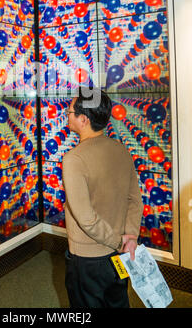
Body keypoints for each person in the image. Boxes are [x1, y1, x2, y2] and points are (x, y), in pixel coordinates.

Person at [62, 88, 143, 308]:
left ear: (83, 119)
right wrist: (130, 238)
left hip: (88, 260)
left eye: (69, 111)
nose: (66, 115)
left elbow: (86, 219)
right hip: (120, 254)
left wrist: (119, 242)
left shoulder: (74, 159)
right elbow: (135, 200)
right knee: (117, 302)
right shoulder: (121, 150)